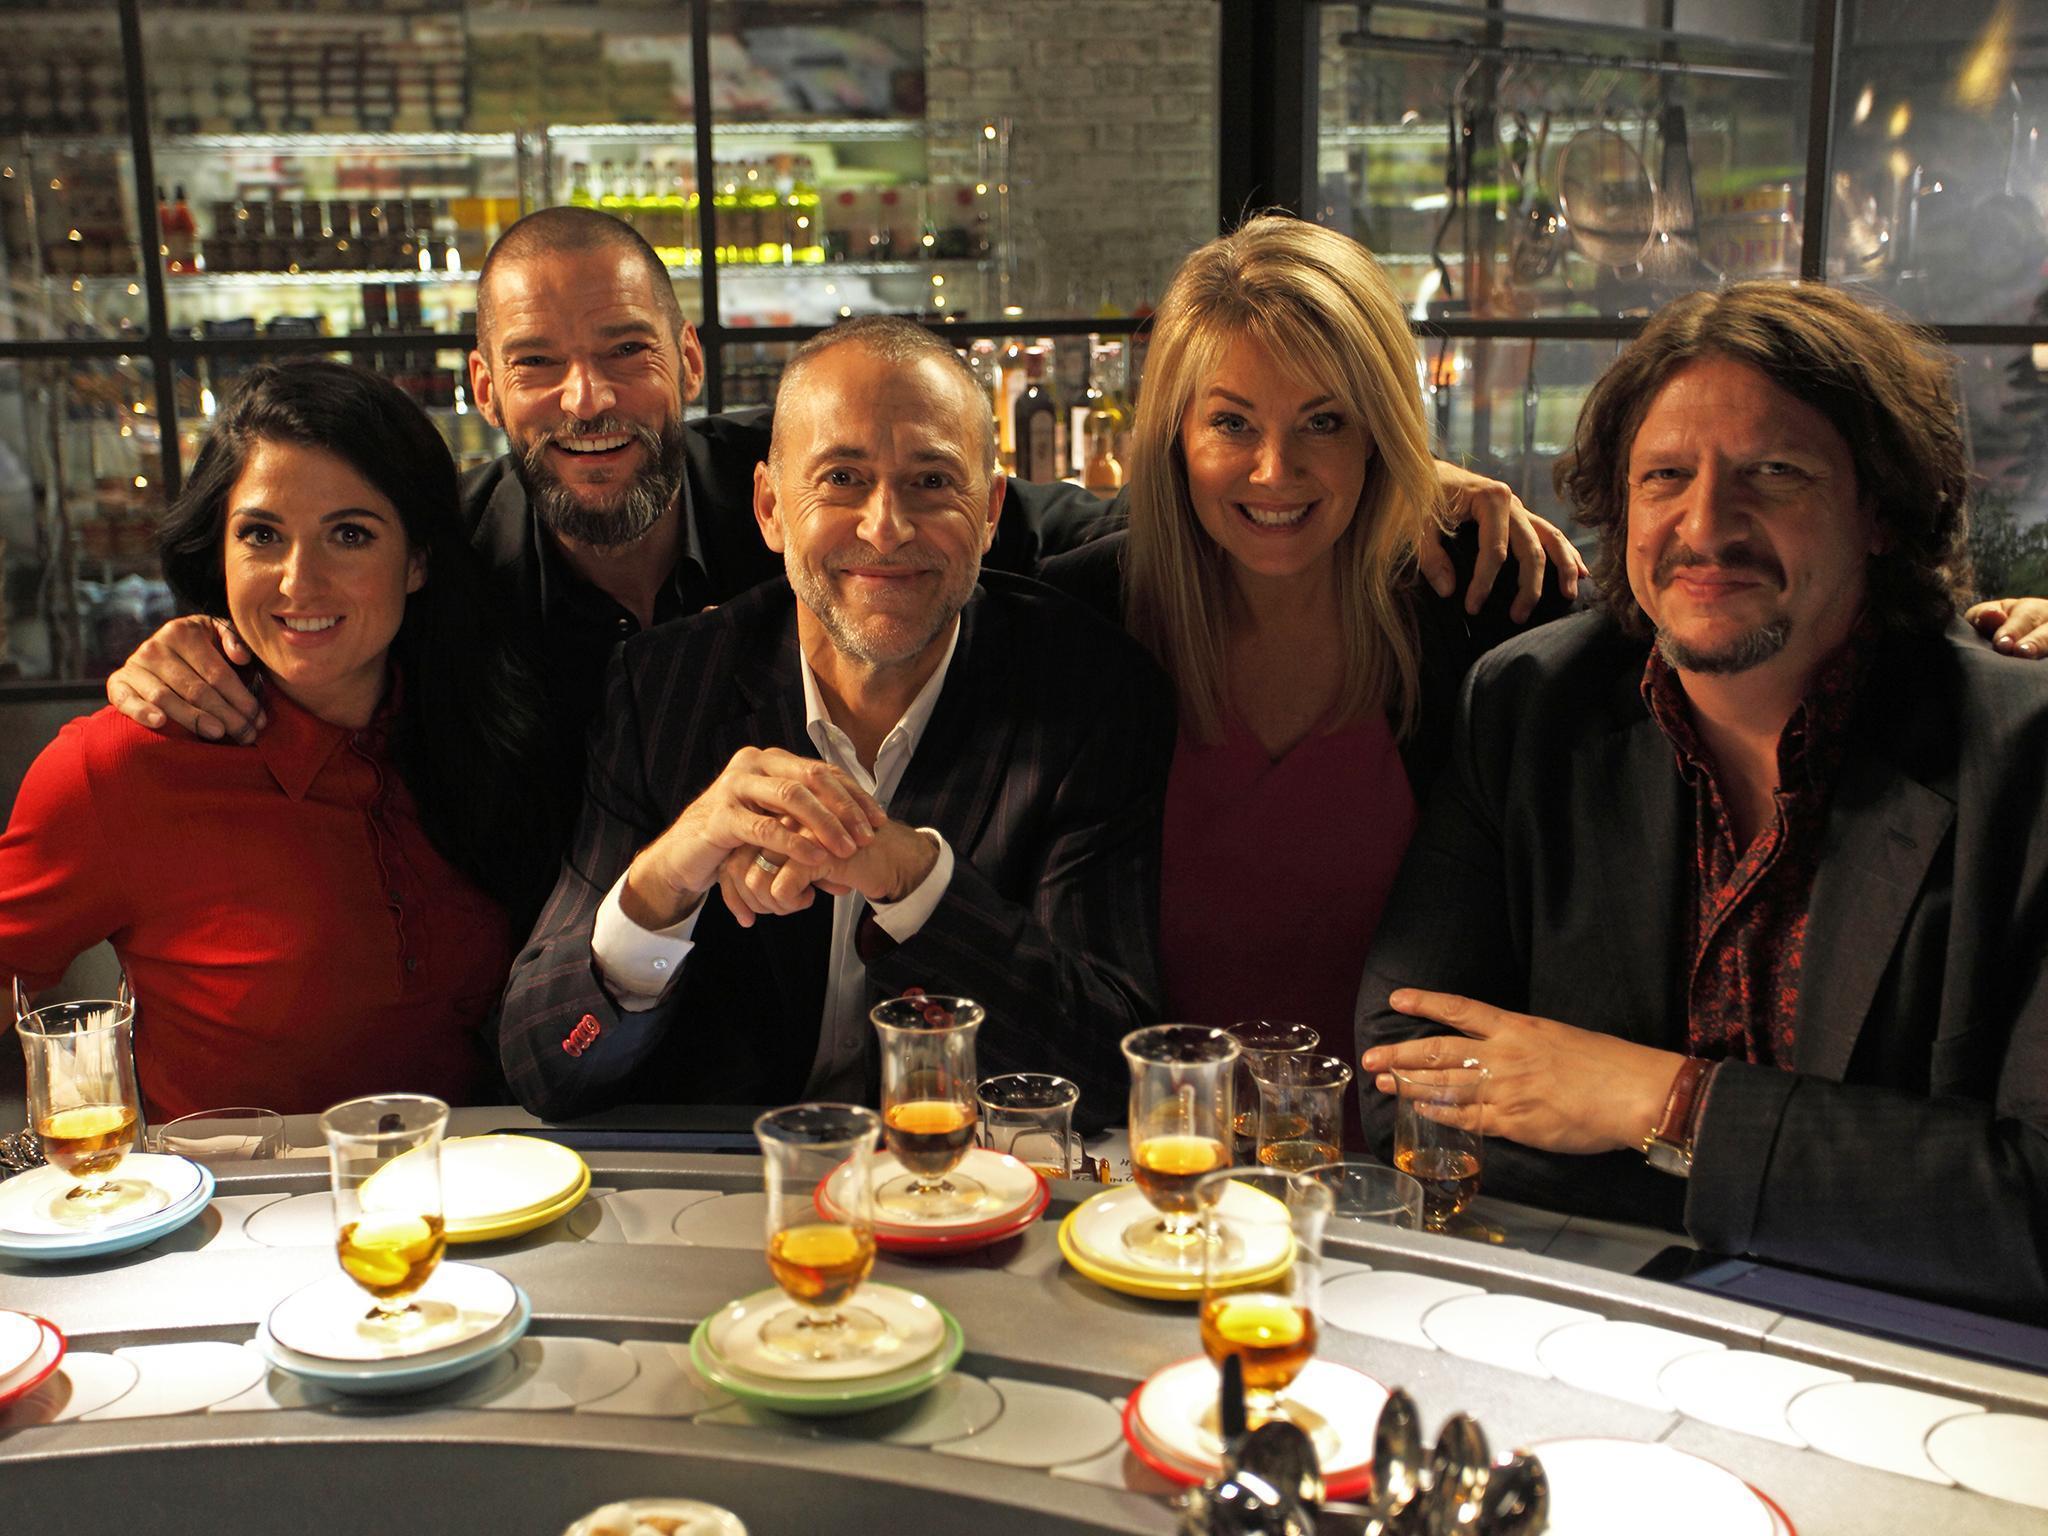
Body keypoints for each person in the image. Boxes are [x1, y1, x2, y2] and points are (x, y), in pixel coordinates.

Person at [99, 210, 1604, 805]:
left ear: (687, 366)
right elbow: (311, 593)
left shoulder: (836, 481)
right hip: (554, 1067)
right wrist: (198, 641)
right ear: (484, 390)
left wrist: (1399, 482)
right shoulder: (444, 568)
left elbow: (1106, 522)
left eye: (626, 354)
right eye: (539, 367)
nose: (589, 401)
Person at [1355, 281, 2048, 1319]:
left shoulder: (2018, 757)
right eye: (1664, 476)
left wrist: (1651, 1100)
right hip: (1580, 1322)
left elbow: (2029, 1214)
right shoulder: (1529, 706)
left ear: (1877, 514)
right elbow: (1405, 1085)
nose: (1704, 524)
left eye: (1773, 474)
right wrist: (1875, 1178)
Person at [497, 316, 1175, 1126]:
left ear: (991, 511)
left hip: (972, 1199)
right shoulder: (666, 687)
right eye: (843, 478)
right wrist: (666, 877)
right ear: (771, 507)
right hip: (728, 1206)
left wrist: (912, 882)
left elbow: (1110, 1071)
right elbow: (547, 1065)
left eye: (931, 482)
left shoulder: (1086, 691)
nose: (884, 526)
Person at [1038, 215, 1580, 1133]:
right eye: (1231, 423)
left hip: (1412, 1183)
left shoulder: (1479, 608)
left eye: (1323, 421)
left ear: (1380, 428)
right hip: (1143, 1183)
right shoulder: (1084, 617)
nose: (1275, 470)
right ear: (1176, 431)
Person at [0, 362, 556, 1119]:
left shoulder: (486, 719)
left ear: (418, 560)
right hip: (237, 1223)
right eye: (262, 535)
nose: (299, 582)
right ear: (218, 552)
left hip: (482, 1202)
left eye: (349, 535)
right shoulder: (122, 765)